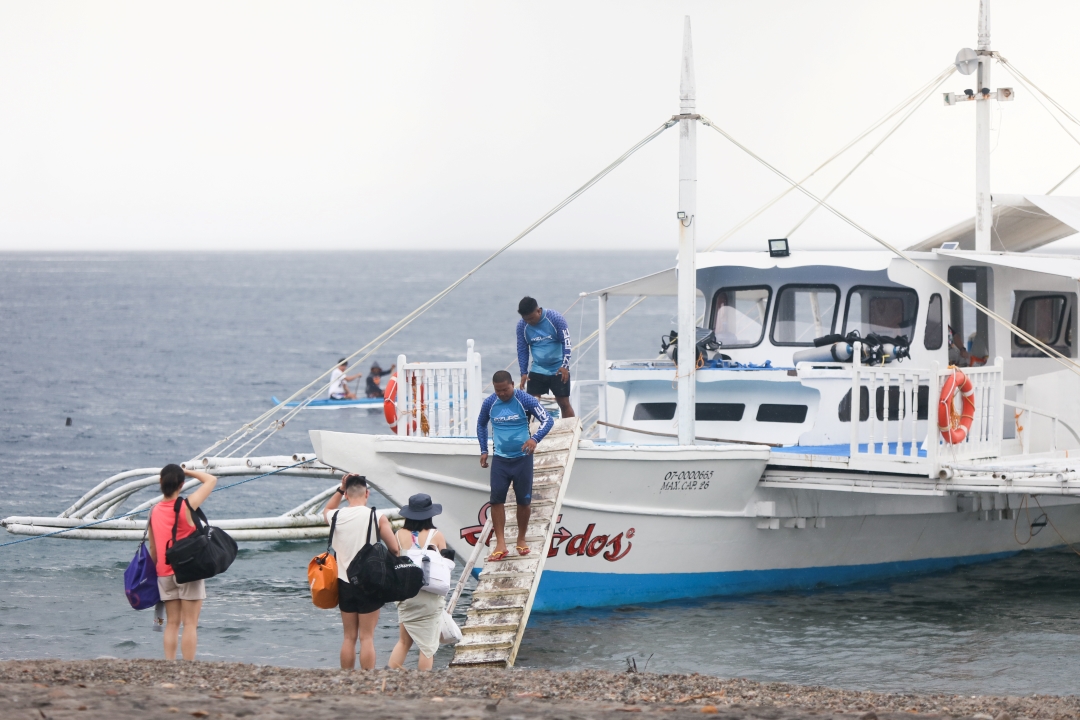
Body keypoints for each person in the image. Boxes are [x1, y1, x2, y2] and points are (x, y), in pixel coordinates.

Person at [323, 473, 400, 670]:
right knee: (367, 637)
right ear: (367, 493)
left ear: (347, 495)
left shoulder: (336, 516)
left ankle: (346, 676)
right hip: (370, 582)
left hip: (344, 582)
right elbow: (394, 549)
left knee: (349, 637)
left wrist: (340, 489)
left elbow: (327, 509)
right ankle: (367, 678)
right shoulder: (376, 516)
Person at [477, 369, 554, 561]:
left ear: (512, 384)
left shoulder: (524, 400)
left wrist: (535, 439)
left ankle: (521, 538)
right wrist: (483, 450)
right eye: (498, 391)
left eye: (505, 389)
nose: (502, 394)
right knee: (496, 500)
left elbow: (548, 419)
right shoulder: (489, 403)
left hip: (522, 459)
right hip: (501, 460)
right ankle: (501, 543)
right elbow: (481, 425)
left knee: (523, 501)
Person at [146, 464, 217, 661]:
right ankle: (188, 666)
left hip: (164, 573)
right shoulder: (186, 505)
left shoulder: (153, 511)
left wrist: (156, 574)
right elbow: (211, 479)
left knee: (172, 623)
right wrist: (187, 471)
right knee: (190, 623)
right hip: (188, 571)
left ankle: (169, 664)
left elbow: (153, 549)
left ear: (161, 482)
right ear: (181, 485)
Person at [388, 493, 446, 671]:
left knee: (404, 642)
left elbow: (393, 560)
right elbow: (445, 565)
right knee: (427, 647)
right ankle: (423, 683)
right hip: (429, 594)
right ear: (429, 514)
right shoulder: (436, 535)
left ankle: (388, 676)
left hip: (405, 594)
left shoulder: (398, 535)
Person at [516, 296, 575, 418]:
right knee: (530, 403)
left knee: (563, 403)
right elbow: (522, 349)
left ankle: (570, 431)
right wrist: (523, 372)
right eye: (526, 319)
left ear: (538, 311)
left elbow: (566, 342)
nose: (529, 322)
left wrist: (565, 365)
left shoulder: (555, 318)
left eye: (531, 318)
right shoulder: (522, 326)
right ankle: (526, 434)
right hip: (538, 368)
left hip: (558, 368)